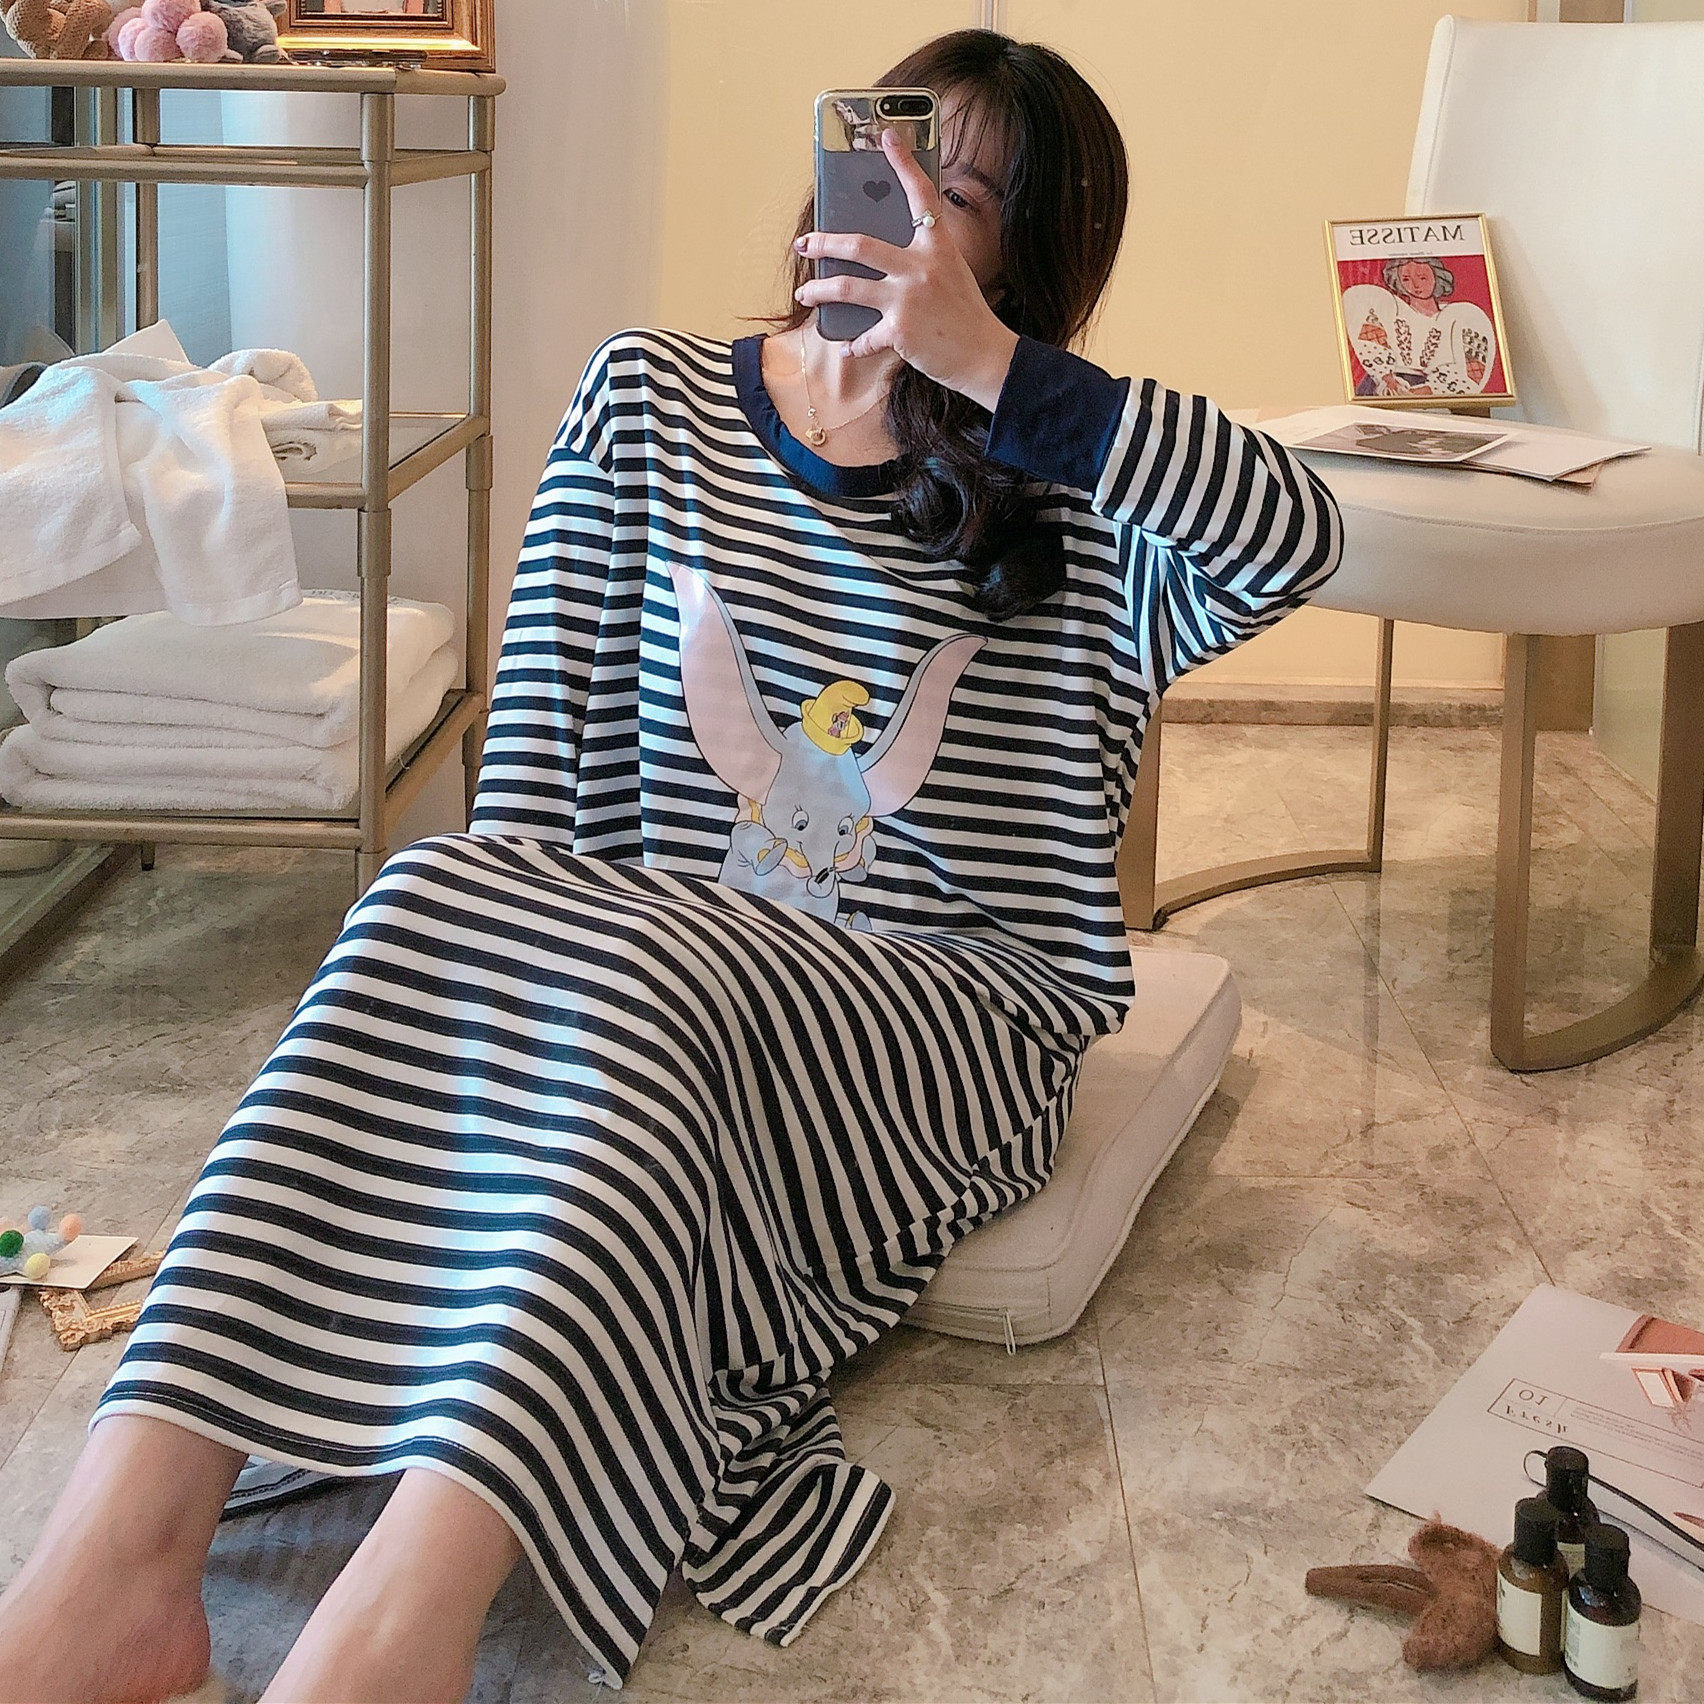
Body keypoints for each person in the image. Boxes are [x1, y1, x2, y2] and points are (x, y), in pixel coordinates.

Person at [0, 28, 1341, 1704]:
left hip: (949, 1017)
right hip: (667, 971)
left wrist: (1000, 375)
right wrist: (505, 1039)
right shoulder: (650, 399)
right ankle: (114, 1564)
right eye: (894, 158)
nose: (910, 209)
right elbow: (533, 788)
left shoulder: (1078, 492)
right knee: (430, 888)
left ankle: (398, 1627)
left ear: (1028, 260)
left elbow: (1300, 534)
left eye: (969, 196)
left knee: (652, 972)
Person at [1344, 254, 1496, 398]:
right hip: (1386, 388)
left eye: (1423, 277)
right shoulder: (1390, 307)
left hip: (1435, 394)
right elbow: (1367, 337)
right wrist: (1389, 380)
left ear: (1437, 276)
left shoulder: (1458, 316)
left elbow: (1471, 374)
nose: (1416, 285)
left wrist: (1423, 391)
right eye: (1406, 279)